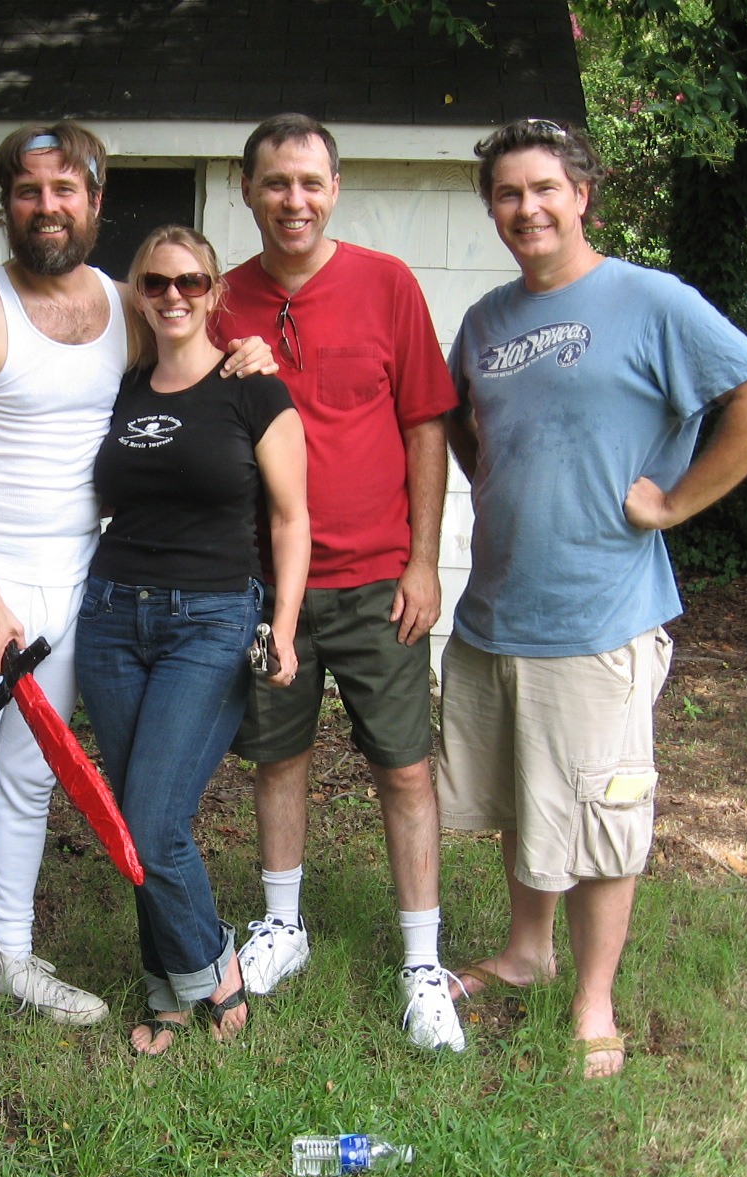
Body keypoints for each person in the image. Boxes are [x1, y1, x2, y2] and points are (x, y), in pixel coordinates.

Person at [0, 123, 276, 1088]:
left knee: (33, 783)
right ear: (6, 202)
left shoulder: (124, 304)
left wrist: (250, 354)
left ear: (97, 203)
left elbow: (190, 358)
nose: (47, 207)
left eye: (67, 190)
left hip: (86, 590)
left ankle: (9, 956)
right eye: (28, 191)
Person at [440, 119, 747, 1078]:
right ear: (492, 210)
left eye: (544, 189)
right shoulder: (485, 321)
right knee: (525, 793)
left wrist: (677, 500)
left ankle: (594, 997)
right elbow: (469, 432)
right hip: (496, 609)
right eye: (508, 195)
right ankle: (526, 951)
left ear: (582, 194)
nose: (527, 208)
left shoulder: (649, 300)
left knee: (604, 813)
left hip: (598, 612)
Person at [210, 113, 465, 1050]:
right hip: (266, 583)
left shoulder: (388, 286)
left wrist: (426, 559)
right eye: (276, 182)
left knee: (403, 769)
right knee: (278, 757)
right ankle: (283, 925)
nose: (295, 200)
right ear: (247, 191)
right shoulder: (218, 299)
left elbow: (426, 426)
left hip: (375, 584)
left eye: (311, 182)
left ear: (335, 189)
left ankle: (421, 963)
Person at [75, 225, 309, 1055]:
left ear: (216, 291)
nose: (174, 296)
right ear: (138, 292)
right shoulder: (124, 383)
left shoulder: (253, 390)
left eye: (192, 282)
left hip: (210, 618)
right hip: (109, 616)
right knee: (134, 821)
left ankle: (214, 963)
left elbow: (290, 518)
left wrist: (281, 625)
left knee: (152, 812)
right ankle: (165, 987)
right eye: (156, 283)